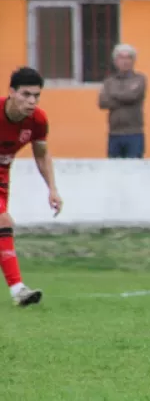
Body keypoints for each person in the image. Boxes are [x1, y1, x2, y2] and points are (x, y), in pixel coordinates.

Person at [0, 67, 63, 307]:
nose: (32, 101)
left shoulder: (37, 120)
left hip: (2, 177)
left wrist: (52, 189)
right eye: (26, 94)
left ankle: (18, 290)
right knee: (3, 221)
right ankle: (18, 290)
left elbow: (41, 155)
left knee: (2, 223)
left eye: (36, 96)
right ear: (11, 93)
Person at [98, 44, 147, 159]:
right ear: (115, 61)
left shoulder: (140, 79)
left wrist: (113, 95)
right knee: (114, 171)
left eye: (128, 57)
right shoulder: (109, 81)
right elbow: (102, 102)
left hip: (134, 134)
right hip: (114, 134)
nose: (125, 61)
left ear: (133, 60)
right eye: (121, 57)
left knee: (135, 170)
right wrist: (126, 97)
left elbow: (133, 96)